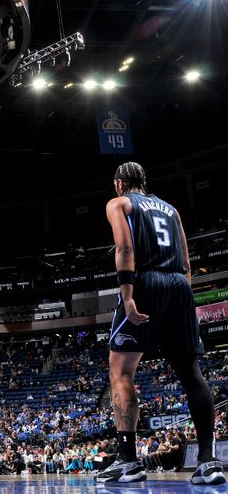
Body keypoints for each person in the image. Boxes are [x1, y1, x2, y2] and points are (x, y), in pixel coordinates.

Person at [96, 162, 225, 485]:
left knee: (121, 370)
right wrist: (183, 298)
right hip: (180, 285)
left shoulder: (120, 203)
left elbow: (125, 248)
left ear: (119, 183)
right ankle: (209, 462)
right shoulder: (171, 209)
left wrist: (128, 296)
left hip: (146, 282)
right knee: (191, 373)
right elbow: (186, 260)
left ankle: (128, 461)